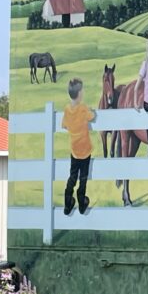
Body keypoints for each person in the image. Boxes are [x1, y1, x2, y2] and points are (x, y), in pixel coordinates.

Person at [61, 78, 95, 216]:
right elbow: (92, 117)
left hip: (74, 151)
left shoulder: (67, 110)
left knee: (72, 177)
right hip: (85, 150)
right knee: (83, 178)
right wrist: (92, 111)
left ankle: (68, 202)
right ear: (80, 93)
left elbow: (63, 125)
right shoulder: (83, 108)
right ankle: (82, 203)